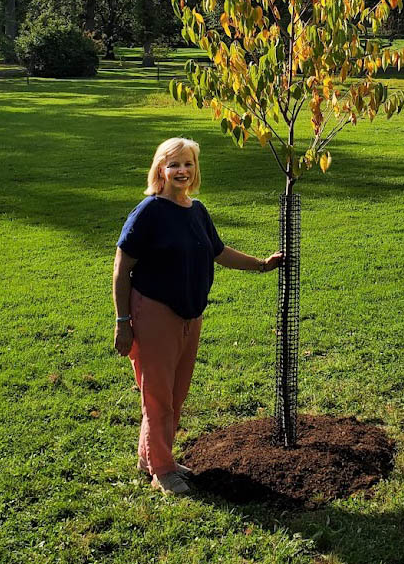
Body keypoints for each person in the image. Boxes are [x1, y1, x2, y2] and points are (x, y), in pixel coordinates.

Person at [112, 136, 282, 496]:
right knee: (157, 397)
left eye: (188, 164)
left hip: (191, 315)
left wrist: (261, 265)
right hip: (154, 314)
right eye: (174, 164)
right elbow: (121, 268)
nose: (182, 171)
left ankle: (152, 457)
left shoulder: (197, 210)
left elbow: (219, 252)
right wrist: (122, 322)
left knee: (175, 394)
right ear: (160, 169)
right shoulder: (148, 212)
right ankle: (163, 470)